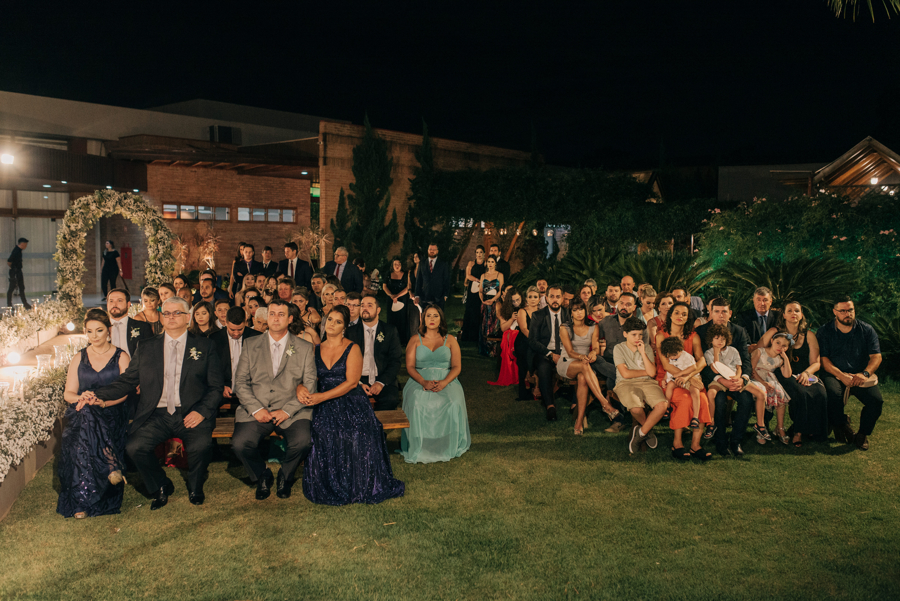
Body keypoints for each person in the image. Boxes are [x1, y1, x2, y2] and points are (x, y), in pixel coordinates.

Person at [84, 296, 224, 509]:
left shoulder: (205, 346)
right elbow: (128, 380)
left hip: (191, 411)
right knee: (134, 447)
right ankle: (160, 485)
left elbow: (216, 387)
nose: (171, 317)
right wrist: (98, 395)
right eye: (166, 313)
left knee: (200, 445)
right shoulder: (147, 346)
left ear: (187, 317)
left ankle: (196, 487)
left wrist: (202, 412)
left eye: (177, 313)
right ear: (161, 318)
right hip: (156, 413)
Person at [297, 305, 405, 505]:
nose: (332, 324)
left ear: (344, 327)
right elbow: (305, 376)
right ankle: (331, 482)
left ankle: (358, 483)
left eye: (338, 322)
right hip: (324, 403)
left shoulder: (352, 348)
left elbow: (352, 383)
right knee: (323, 431)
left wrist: (321, 397)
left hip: (350, 399)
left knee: (358, 431)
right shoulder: (315, 348)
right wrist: (300, 388)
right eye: (330, 319)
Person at [230, 299, 317, 499]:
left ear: (290, 319)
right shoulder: (251, 344)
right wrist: (255, 409)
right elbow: (240, 382)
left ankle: (285, 477)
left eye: (281, 314)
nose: (276, 318)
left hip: (291, 411)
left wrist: (287, 410)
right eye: (272, 314)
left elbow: (310, 384)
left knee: (303, 441)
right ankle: (262, 475)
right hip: (257, 408)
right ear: (266, 317)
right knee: (240, 443)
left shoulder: (303, 347)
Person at [57, 309, 131, 518]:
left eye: (99, 330)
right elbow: (69, 394)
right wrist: (83, 398)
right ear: (85, 333)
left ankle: (81, 502)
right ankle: (111, 466)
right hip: (82, 411)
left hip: (112, 411)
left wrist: (103, 402)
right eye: (90, 332)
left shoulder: (121, 356)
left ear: (108, 330)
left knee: (84, 430)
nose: (95, 336)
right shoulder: (79, 357)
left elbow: (125, 393)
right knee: (86, 415)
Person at [401, 304, 470, 463]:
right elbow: (410, 367)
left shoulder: (450, 339)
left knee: (453, 402)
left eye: (435, 316)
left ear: (441, 319)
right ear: (423, 319)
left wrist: (445, 382)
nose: (431, 319)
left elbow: (457, 366)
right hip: (420, 379)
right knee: (417, 402)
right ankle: (420, 442)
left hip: (447, 379)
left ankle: (448, 441)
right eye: (428, 316)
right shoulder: (414, 340)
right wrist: (423, 382)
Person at [758, 302, 828, 446]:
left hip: (805, 373)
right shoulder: (774, 331)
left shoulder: (809, 335)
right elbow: (758, 350)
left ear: (801, 314)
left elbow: (816, 362)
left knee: (820, 391)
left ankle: (815, 430)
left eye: (797, 311)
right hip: (784, 373)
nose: (793, 313)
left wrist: (807, 373)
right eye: (789, 311)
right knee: (800, 392)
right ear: (783, 315)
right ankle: (798, 432)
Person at [818, 296, 883, 451]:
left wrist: (865, 374)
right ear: (835, 312)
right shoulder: (824, 331)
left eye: (850, 310)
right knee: (833, 394)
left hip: (859, 375)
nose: (847, 314)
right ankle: (841, 424)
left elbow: (876, 356)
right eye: (843, 311)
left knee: (876, 401)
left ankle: (862, 434)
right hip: (834, 373)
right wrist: (841, 376)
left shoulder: (866, 330)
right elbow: (824, 360)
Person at [693, 298, 755, 457]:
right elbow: (702, 363)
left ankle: (736, 441)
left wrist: (743, 379)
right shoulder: (701, 331)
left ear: (730, 313)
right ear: (710, 313)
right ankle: (720, 442)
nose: (721, 315)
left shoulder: (739, 331)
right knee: (719, 400)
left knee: (747, 399)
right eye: (717, 311)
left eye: (724, 311)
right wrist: (720, 380)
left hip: (736, 379)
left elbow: (745, 360)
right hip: (713, 380)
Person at [655, 302, 712, 460]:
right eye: (677, 313)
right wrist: (688, 378)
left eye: (684, 314)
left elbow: (701, 360)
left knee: (702, 400)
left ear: (688, 318)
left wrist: (688, 377)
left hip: (690, 376)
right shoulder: (661, 335)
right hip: (669, 378)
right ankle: (677, 442)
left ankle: (695, 445)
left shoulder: (693, 336)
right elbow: (666, 364)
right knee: (686, 400)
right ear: (670, 315)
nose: (680, 316)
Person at [558, 299, 621, 435]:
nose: (578, 313)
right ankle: (605, 404)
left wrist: (593, 353)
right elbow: (569, 352)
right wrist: (582, 357)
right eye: (575, 310)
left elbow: (596, 347)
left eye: (581, 309)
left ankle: (579, 421)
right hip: (567, 362)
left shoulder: (593, 326)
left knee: (582, 378)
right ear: (571, 313)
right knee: (584, 366)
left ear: (585, 311)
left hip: (585, 364)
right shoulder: (564, 327)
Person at [596, 293, 650, 432]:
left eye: (628, 304)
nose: (624, 307)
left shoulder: (640, 326)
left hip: (630, 363)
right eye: (622, 303)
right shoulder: (605, 322)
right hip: (609, 361)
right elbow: (596, 340)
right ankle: (620, 374)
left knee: (611, 380)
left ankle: (618, 420)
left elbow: (644, 351)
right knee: (595, 360)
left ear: (635, 307)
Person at [612, 317, 667, 455]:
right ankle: (648, 431)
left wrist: (643, 352)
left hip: (648, 382)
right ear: (625, 334)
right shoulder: (618, 348)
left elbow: (652, 372)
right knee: (636, 409)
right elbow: (625, 374)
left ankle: (640, 433)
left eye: (640, 334)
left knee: (662, 406)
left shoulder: (646, 347)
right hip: (625, 384)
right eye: (634, 335)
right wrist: (645, 372)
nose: (638, 338)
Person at [703, 323, 766, 442]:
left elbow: (739, 367)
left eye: (723, 339)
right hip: (719, 380)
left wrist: (738, 378)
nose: (720, 341)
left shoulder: (733, 350)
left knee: (761, 394)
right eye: (717, 338)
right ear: (711, 339)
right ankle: (711, 423)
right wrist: (716, 351)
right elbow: (715, 369)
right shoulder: (709, 353)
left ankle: (760, 424)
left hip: (734, 378)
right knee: (711, 393)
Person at [344, 292, 404, 411]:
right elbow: (344, 361)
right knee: (352, 399)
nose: (365, 308)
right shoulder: (350, 332)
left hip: (382, 377)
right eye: (362, 305)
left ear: (378, 310)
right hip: (358, 378)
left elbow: (395, 360)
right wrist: (359, 383)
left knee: (391, 399)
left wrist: (381, 382)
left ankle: (380, 429)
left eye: (369, 305)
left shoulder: (389, 331)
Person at [527, 285, 568, 421]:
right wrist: (551, 354)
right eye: (552, 297)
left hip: (565, 352)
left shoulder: (568, 315)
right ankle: (550, 406)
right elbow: (532, 341)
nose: (555, 300)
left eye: (558, 297)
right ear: (546, 298)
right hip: (544, 352)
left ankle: (575, 403)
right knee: (544, 368)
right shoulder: (538, 315)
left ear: (562, 298)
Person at [211, 306, 263, 411]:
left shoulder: (257, 338)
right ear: (225, 322)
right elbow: (212, 369)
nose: (236, 333)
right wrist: (221, 386)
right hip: (222, 392)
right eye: (232, 329)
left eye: (240, 329)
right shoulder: (214, 339)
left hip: (252, 393)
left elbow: (261, 369)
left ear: (246, 322)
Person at [751, 332, 793, 445]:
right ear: (772, 341)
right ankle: (761, 428)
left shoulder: (780, 359)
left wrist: (785, 358)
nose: (780, 347)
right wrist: (764, 383)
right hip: (757, 379)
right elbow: (751, 370)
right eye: (778, 343)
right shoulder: (760, 352)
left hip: (770, 380)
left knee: (780, 394)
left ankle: (780, 428)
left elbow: (787, 374)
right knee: (763, 393)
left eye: (784, 346)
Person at [659, 336, 705, 431]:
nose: (672, 357)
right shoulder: (671, 356)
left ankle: (695, 417)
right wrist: (664, 379)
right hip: (679, 378)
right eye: (670, 356)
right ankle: (667, 407)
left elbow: (694, 367)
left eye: (674, 355)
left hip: (692, 377)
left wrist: (680, 374)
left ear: (680, 350)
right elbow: (669, 371)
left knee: (695, 392)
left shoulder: (686, 356)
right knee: (670, 385)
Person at [488, 287, 522, 388]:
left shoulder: (525, 308)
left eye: (518, 300)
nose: (516, 303)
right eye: (513, 301)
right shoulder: (504, 310)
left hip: (521, 334)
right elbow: (503, 328)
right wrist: (512, 318)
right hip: (509, 335)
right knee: (509, 336)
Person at [106, 288, 153, 358]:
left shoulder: (143, 327)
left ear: (128, 304)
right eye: (111, 301)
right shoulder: (101, 327)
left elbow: (150, 355)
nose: (114, 304)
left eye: (119, 300)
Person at [515, 286, 540, 401]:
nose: (533, 299)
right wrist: (536, 342)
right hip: (523, 342)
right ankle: (523, 393)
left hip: (536, 343)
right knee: (523, 367)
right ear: (526, 299)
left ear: (539, 299)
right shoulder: (522, 311)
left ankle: (537, 389)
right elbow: (524, 329)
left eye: (535, 297)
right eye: (530, 297)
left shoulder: (542, 312)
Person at [736, 287, 780, 351]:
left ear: (770, 301)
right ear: (753, 300)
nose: (762, 303)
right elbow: (745, 340)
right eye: (758, 299)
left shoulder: (778, 317)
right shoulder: (744, 317)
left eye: (765, 300)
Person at [379, 257, 411, 346]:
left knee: (402, 319)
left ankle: (402, 340)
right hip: (391, 299)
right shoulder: (388, 274)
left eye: (399, 264)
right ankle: (391, 339)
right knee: (391, 319)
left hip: (402, 299)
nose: (397, 266)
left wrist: (398, 295)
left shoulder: (406, 274)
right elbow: (384, 286)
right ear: (392, 265)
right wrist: (391, 295)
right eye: (395, 264)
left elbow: (408, 287)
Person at [460, 245, 486, 343]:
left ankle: (477, 336)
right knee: (470, 311)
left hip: (482, 289)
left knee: (479, 311)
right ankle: (467, 336)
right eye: (477, 252)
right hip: (472, 290)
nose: (479, 254)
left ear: (484, 254)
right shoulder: (471, 263)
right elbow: (468, 275)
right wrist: (477, 280)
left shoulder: (486, 264)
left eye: (481, 252)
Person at [478, 256, 503, 357]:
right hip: (485, 302)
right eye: (488, 261)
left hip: (495, 302)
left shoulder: (500, 275)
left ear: (495, 263)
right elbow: (480, 290)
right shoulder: (483, 275)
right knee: (485, 324)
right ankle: (486, 349)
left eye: (492, 261)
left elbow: (501, 290)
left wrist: (492, 300)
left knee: (494, 325)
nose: (490, 263)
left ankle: (494, 350)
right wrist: (483, 300)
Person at [415, 243, 451, 310]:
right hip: (424, 297)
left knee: (438, 318)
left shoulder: (443, 264)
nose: (432, 251)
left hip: (439, 298)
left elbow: (446, 280)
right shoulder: (422, 263)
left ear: (437, 251)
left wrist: (445, 295)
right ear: (427, 250)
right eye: (430, 249)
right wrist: (417, 295)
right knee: (425, 318)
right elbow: (418, 280)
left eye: (434, 249)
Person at [6, 237, 30, 309]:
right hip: (15, 271)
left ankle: (25, 303)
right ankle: (9, 305)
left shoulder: (19, 250)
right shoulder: (16, 251)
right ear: (22, 244)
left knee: (21, 287)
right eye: (25, 245)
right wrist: (13, 268)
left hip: (18, 271)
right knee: (12, 288)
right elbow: (9, 261)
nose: (26, 246)